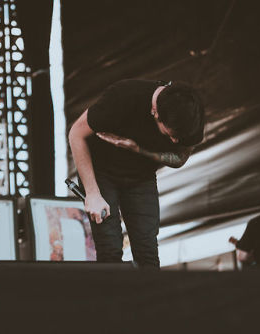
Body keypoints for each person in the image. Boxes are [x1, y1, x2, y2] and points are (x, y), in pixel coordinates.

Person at [68, 79, 205, 268]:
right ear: (154, 113)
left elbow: (180, 159)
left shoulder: (190, 114)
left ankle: (146, 297)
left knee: (147, 251)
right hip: (101, 172)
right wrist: (92, 193)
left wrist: (138, 149)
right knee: (109, 249)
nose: (174, 141)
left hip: (141, 178)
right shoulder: (123, 97)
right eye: (170, 134)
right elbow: (76, 134)